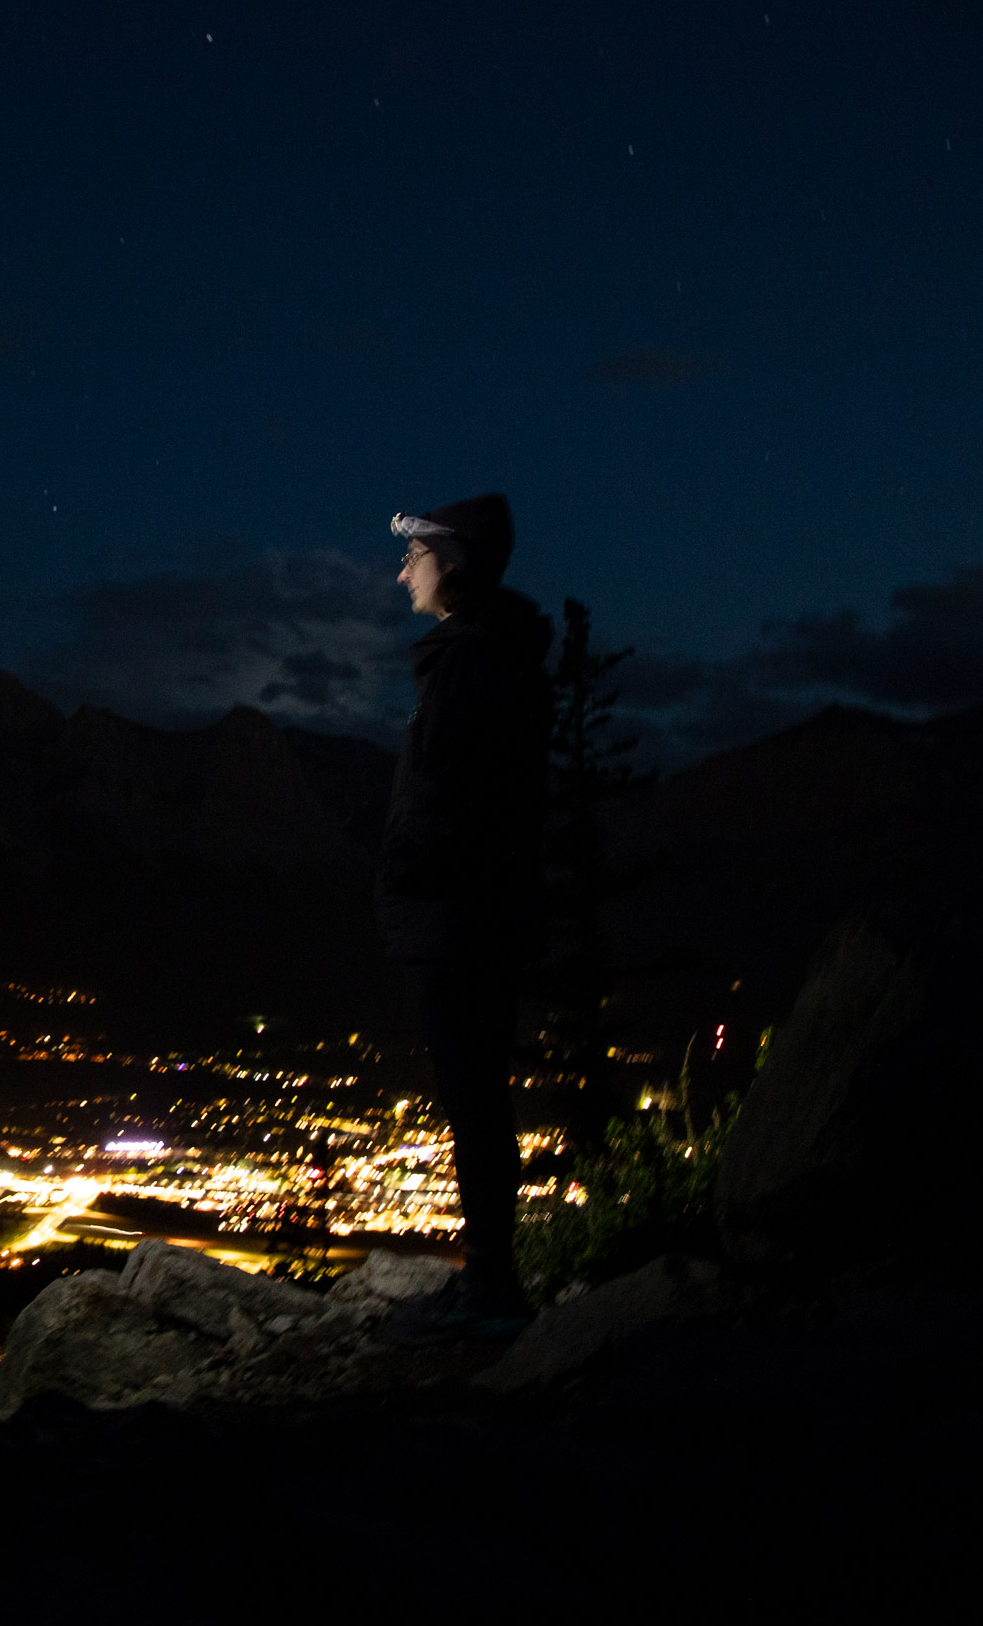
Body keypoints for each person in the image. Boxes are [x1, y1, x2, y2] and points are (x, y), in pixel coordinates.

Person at [377, 492, 551, 1339]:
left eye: (416, 554)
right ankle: (490, 1280)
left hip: (458, 920)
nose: (402, 568)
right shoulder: (489, 656)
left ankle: (489, 1290)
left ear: (451, 563)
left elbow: (458, 799)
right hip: (471, 914)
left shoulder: (472, 663)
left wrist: (407, 868)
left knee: (472, 1097)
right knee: (475, 1095)